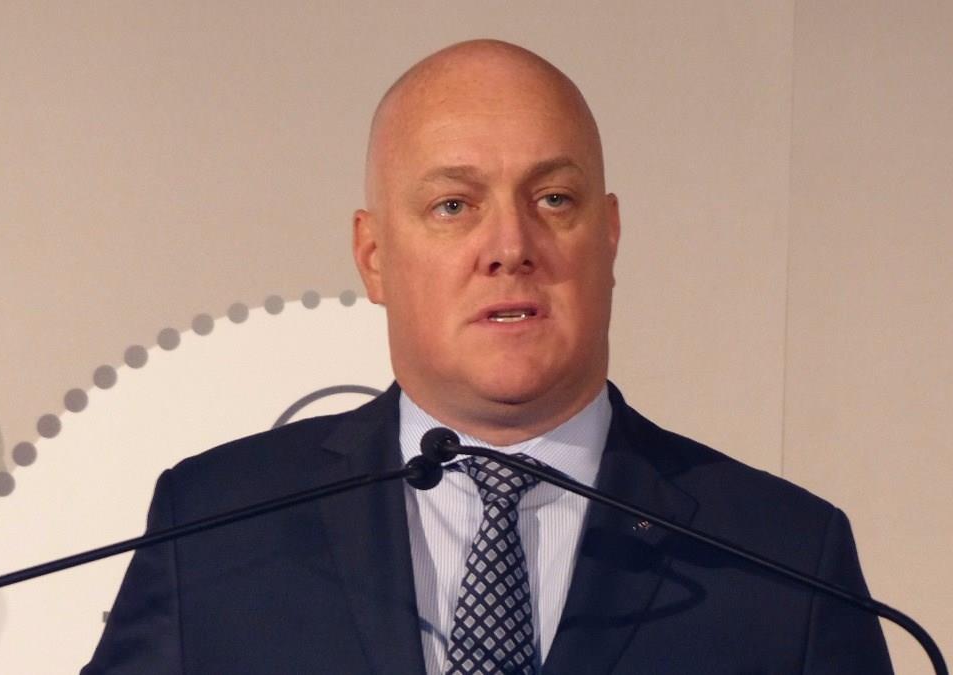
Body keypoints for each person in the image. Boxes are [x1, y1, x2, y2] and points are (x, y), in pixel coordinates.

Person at [84, 39, 892, 673]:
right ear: (373, 256)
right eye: (453, 205)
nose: (510, 244)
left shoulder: (786, 561)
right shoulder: (215, 527)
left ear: (609, 236)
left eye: (554, 199)